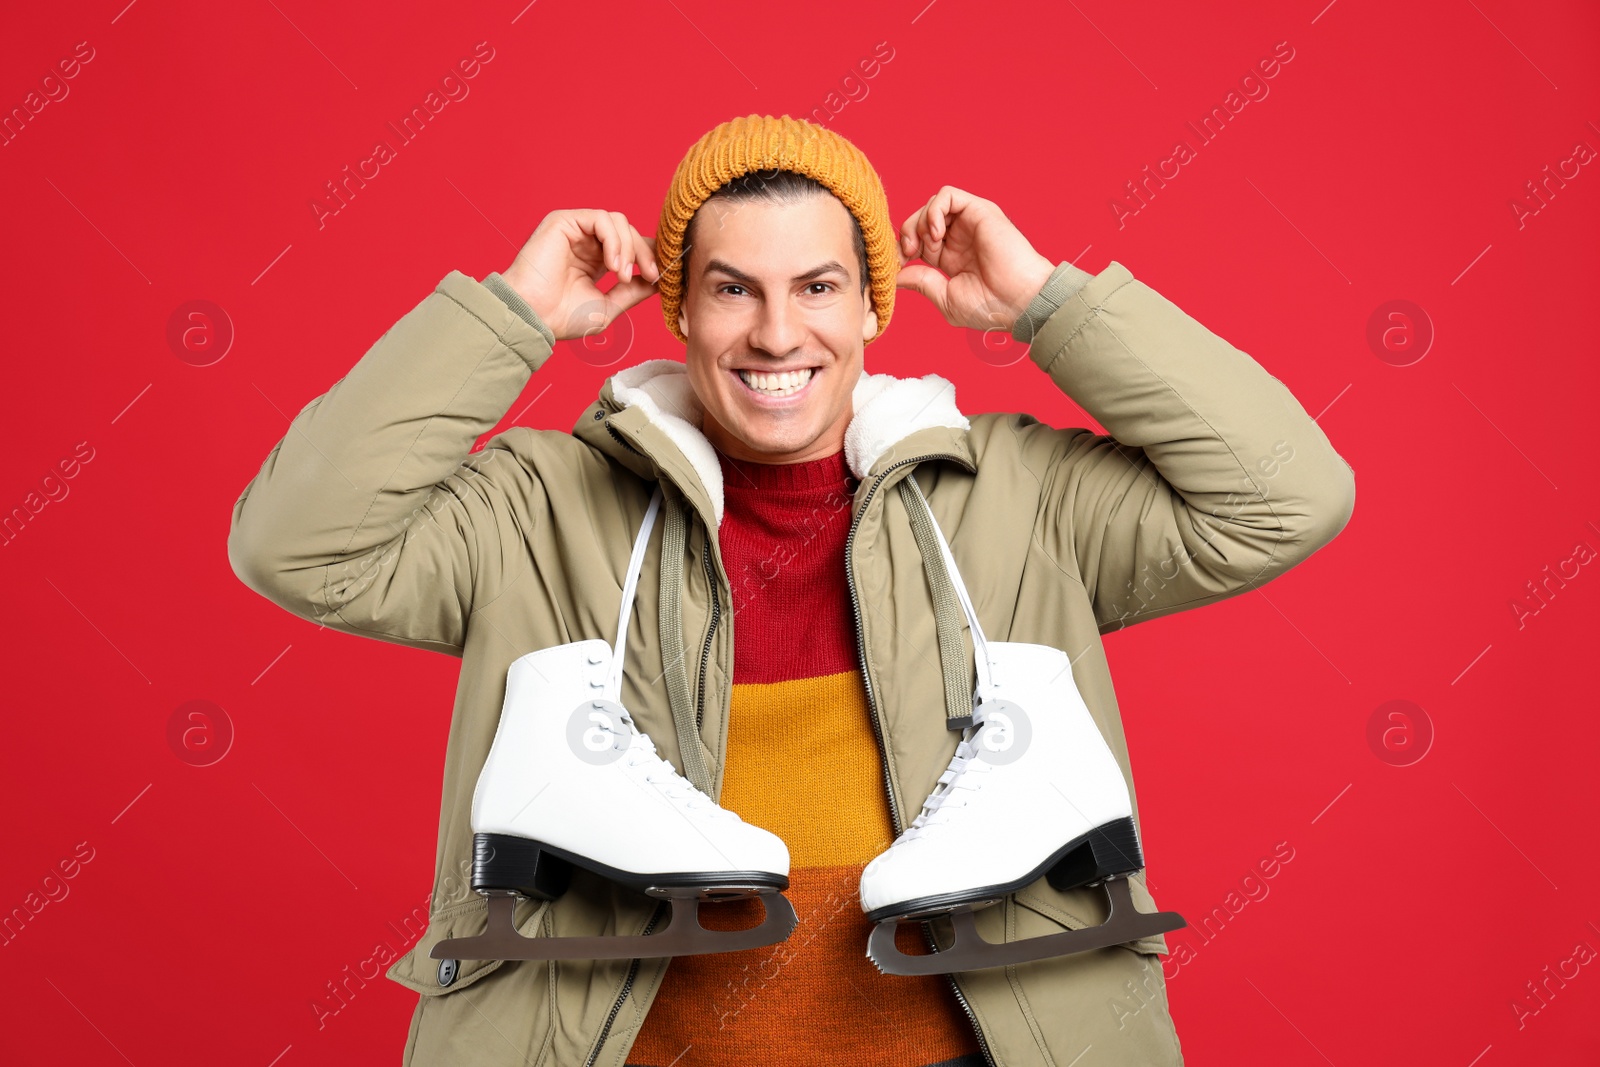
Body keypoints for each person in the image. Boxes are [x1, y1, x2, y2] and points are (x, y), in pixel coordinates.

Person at [228, 113, 1355, 1066]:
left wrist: (1043, 301)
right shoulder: (541, 506)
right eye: (732, 290)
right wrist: (512, 314)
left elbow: (1286, 495)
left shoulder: (1017, 493)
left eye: (817, 286)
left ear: (874, 304)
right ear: (680, 311)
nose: (776, 333)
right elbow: (296, 543)